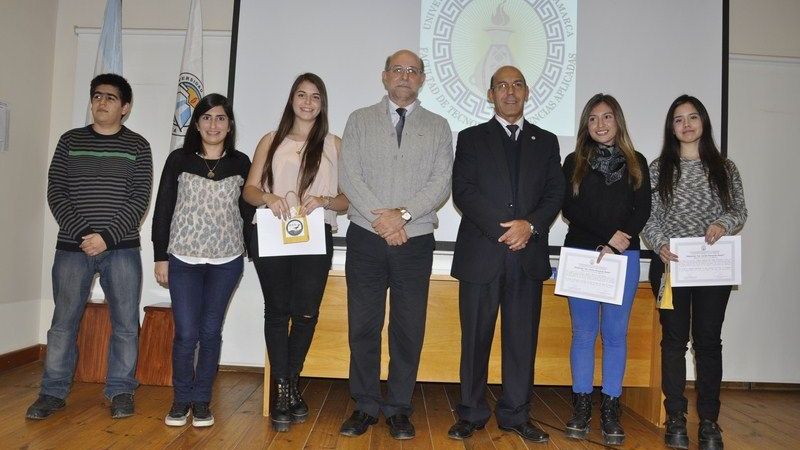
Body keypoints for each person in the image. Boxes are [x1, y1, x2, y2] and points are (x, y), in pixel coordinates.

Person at [337, 50, 453, 440]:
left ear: (422, 79)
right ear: (385, 76)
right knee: (363, 325)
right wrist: (382, 220)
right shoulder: (359, 119)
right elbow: (349, 176)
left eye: (412, 71)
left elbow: (441, 183)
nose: (405, 76)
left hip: (414, 241)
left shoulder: (438, 126)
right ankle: (365, 405)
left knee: (408, 328)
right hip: (366, 238)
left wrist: (402, 216)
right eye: (398, 70)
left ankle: (399, 408)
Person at [26, 73, 152, 420]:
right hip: (73, 247)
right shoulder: (69, 140)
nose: (101, 102)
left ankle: (121, 390)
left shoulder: (138, 146)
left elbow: (139, 198)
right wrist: (84, 234)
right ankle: (52, 392)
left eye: (110, 97)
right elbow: (56, 192)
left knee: (125, 323)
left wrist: (106, 238)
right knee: (62, 324)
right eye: (97, 96)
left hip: (121, 248)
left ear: (125, 107)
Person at [448, 65, 564, 443]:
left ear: (527, 92)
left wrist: (529, 226)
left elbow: (555, 193)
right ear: (490, 94)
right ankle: (471, 412)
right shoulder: (470, 138)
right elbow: (463, 191)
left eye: (517, 85)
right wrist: (506, 230)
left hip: (527, 258)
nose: (510, 92)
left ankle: (516, 414)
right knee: (474, 341)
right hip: (482, 256)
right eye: (502, 86)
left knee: (521, 343)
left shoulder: (546, 141)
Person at [243, 73, 348, 432]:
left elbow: (347, 200)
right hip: (272, 234)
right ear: (291, 100)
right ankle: (285, 393)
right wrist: (268, 196)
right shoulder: (270, 140)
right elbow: (249, 190)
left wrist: (326, 200)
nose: (307, 102)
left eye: (315, 96)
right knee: (277, 311)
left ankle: (287, 387)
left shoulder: (334, 144)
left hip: (315, 236)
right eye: (301, 95)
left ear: (322, 104)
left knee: (305, 313)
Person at [643, 95, 747, 450]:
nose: (686, 125)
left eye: (692, 117)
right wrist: (659, 244)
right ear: (671, 127)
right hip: (671, 265)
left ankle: (709, 422)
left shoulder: (725, 168)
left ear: (704, 122)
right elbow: (648, 216)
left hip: (712, 267)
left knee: (708, 343)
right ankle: (675, 417)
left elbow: (739, 210)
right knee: (673, 343)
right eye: (678, 119)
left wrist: (723, 223)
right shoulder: (659, 168)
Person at [151, 93, 252, 428]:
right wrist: (160, 256)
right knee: (186, 333)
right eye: (206, 118)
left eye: (220, 118)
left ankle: (201, 401)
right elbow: (163, 209)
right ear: (196, 124)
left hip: (227, 260)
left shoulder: (241, 163)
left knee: (210, 332)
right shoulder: (178, 159)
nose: (213, 125)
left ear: (229, 125)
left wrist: (256, 250)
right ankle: (181, 400)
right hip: (182, 259)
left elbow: (248, 212)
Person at [560, 94, 651, 445]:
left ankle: (611, 410)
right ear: (586, 125)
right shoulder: (574, 162)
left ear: (618, 121)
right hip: (582, 256)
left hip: (623, 256)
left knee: (615, 335)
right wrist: (606, 236)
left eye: (607, 117)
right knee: (583, 334)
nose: (600, 124)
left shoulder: (637, 162)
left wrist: (617, 242)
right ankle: (581, 407)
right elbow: (570, 208)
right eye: (593, 118)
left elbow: (642, 209)